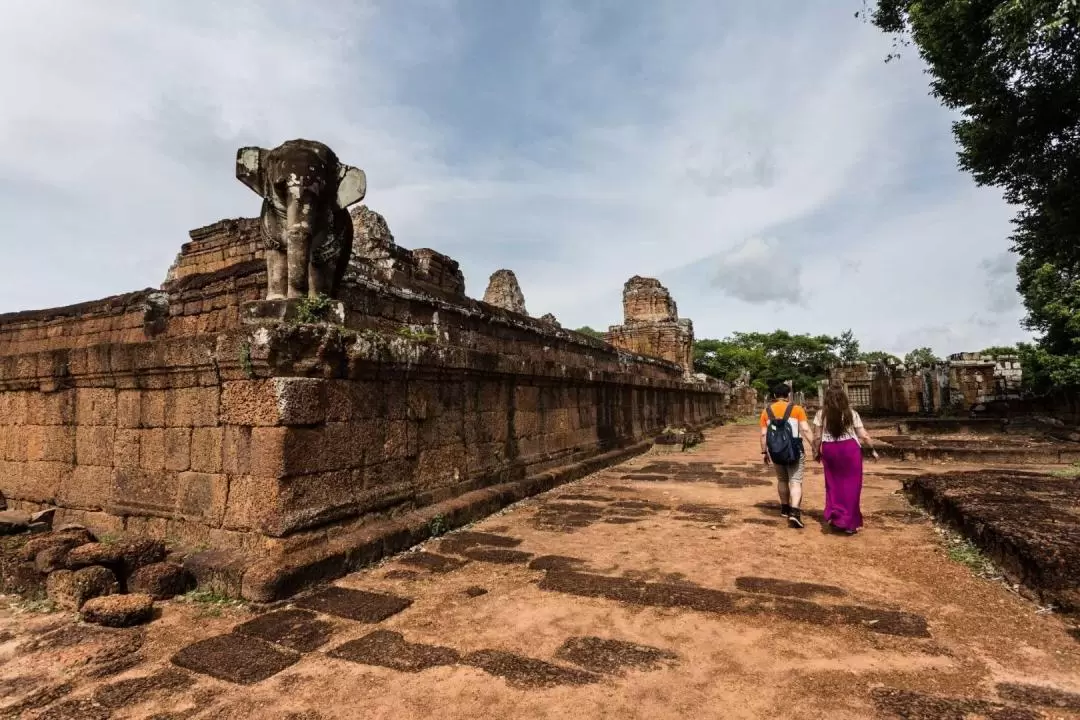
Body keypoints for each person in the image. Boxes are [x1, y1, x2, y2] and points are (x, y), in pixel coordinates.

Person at [811, 381, 879, 535]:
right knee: (852, 485)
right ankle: (849, 522)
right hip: (850, 450)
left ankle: (837, 517)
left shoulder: (821, 414)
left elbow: (816, 437)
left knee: (833, 484)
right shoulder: (851, 413)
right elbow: (863, 435)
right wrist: (872, 450)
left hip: (830, 449)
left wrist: (816, 452)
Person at [759, 383, 814, 529]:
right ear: (788, 395)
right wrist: (815, 446)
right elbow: (806, 429)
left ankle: (784, 508)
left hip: (776, 451)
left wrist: (764, 452)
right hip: (795, 450)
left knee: (782, 480)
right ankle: (795, 512)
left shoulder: (766, 411)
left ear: (775, 396)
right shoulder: (797, 409)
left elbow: (764, 434)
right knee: (795, 481)